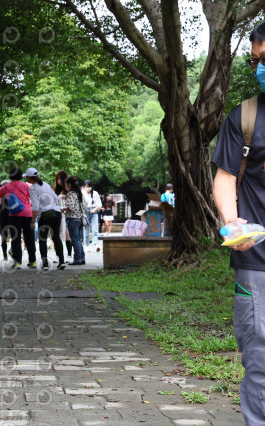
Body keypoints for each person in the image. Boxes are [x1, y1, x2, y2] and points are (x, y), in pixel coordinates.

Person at [212, 22, 265, 424]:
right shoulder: (244, 117)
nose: (260, 67)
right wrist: (232, 223)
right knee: (259, 356)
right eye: (256, 60)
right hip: (256, 260)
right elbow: (226, 178)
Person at [0, 167, 36, 269]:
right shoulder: (26, 186)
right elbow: (33, 197)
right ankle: (32, 261)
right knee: (30, 238)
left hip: (15, 215)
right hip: (27, 213)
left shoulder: (6, 187)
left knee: (15, 238)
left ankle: (18, 262)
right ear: (21, 176)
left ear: (10, 176)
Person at [25, 168, 65, 270]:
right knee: (56, 237)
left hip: (45, 215)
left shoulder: (33, 189)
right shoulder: (46, 184)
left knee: (42, 239)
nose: (25, 178)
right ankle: (61, 262)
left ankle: (45, 264)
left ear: (29, 178)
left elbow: (35, 206)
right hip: (56, 213)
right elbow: (55, 198)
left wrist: (33, 221)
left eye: (26, 177)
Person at [62, 176, 87, 266]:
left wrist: (62, 209)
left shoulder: (70, 193)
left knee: (75, 240)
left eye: (66, 184)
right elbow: (85, 205)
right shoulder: (79, 193)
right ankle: (82, 258)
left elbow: (70, 207)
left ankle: (77, 259)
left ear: (69, 184)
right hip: (80, 219)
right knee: (78, 240)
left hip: (72, 219)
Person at [54, 170, 72, 262]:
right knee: (56, 235)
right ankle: (58, 255)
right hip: (57, 215)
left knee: (67, 234)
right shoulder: (55, 190)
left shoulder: (69, 190)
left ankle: (69, 255)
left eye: (60, 179)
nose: (58, 181)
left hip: (67, 215)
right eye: (57, 179)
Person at [82, 180, 102, 249]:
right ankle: (86, 245)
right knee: (86, 229)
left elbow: (99, 204)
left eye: (88, 186)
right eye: (86, 186)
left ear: (91, 186)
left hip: (94, 211)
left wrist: (94, 209)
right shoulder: (82, 193)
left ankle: (96, 244)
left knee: (95, 228)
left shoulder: (95, 193)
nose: (87, 188)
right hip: (85, 212)